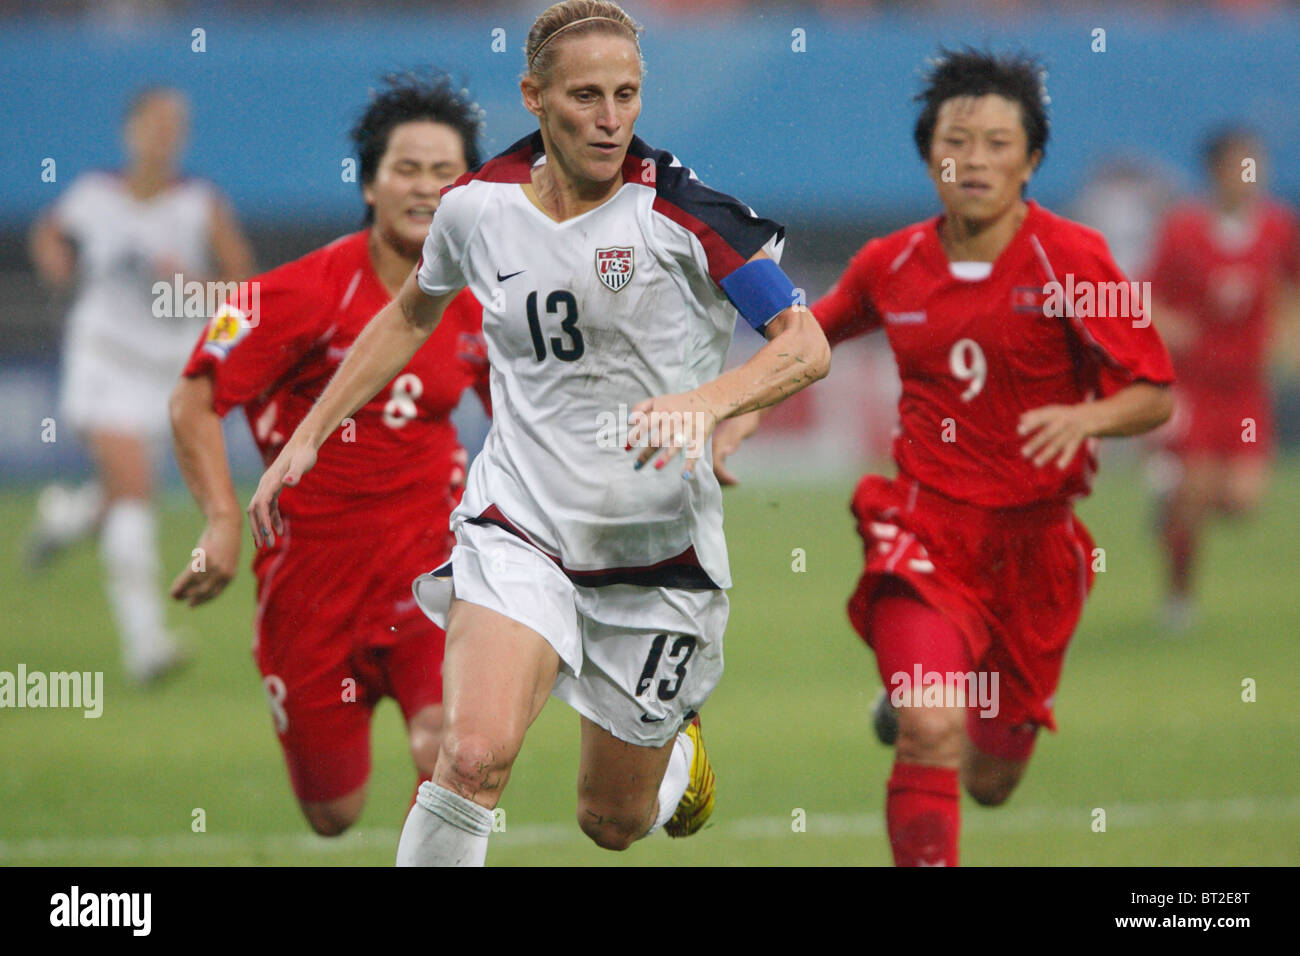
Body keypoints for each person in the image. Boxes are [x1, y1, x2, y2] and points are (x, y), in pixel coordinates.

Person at [247, 0, 830, 866]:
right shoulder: (476, 208)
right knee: (472, 753)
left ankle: (673, 756)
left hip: (654, 552)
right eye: (586, 96)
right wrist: (310, 433)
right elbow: (411, 312)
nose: (609, 120)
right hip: (521, 526)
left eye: (626, 95)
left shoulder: (681, 213)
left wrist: (706, 404)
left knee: (612, 822)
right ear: (533, 97)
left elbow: (805, 344)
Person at [772, 48, 1173, 866]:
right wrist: (732, 412)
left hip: (1035, 552)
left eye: (999, 142)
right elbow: (805, 339)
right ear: (930, 157)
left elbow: (1155, 392)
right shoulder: (890, 262)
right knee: (932, 730)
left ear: (1030, 160)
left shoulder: (1080, 260)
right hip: (925, 531)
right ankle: (920, 699)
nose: (977, 159)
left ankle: (923, 699)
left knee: (990, 780)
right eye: (959, 141)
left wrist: (1088, 415)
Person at [169, 73, 490, 836]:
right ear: (370, 184)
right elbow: (193, 396)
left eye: (446, 173)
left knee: (454, 747)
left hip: (428, 570)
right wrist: (218, 520)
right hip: (309, 583)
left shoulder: (482, 294)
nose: (426, 188)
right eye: (406, 169)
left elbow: (519, 412)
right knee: (332, 813)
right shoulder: (291, 292)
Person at [26, 87, 255, 684]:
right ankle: (146, 644)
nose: (164, 135)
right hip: (101, 356)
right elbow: (48, 233)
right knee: (134, 489)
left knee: (123, 489)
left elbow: (244, 294)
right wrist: (58, 262)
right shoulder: (93, 195)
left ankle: (68, 518)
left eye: (175, 126)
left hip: (165, 372)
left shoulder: (199, 204)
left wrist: (194, 286)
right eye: (154, 123)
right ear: (130, 131)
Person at [1144, 128, 1300, 632]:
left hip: (1246, 389)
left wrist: (1287, 336)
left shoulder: (1278, 227)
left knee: (1241, 501)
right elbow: (1146, 297)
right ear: (1214, 172)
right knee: (1196, 485)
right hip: (1194, 386)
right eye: (1238, 166)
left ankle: (1169, 507)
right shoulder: (1183, 229)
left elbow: (1293, 288)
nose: (1248, 176)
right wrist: (1171, 328)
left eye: (1255, 166)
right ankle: (1178, 600)